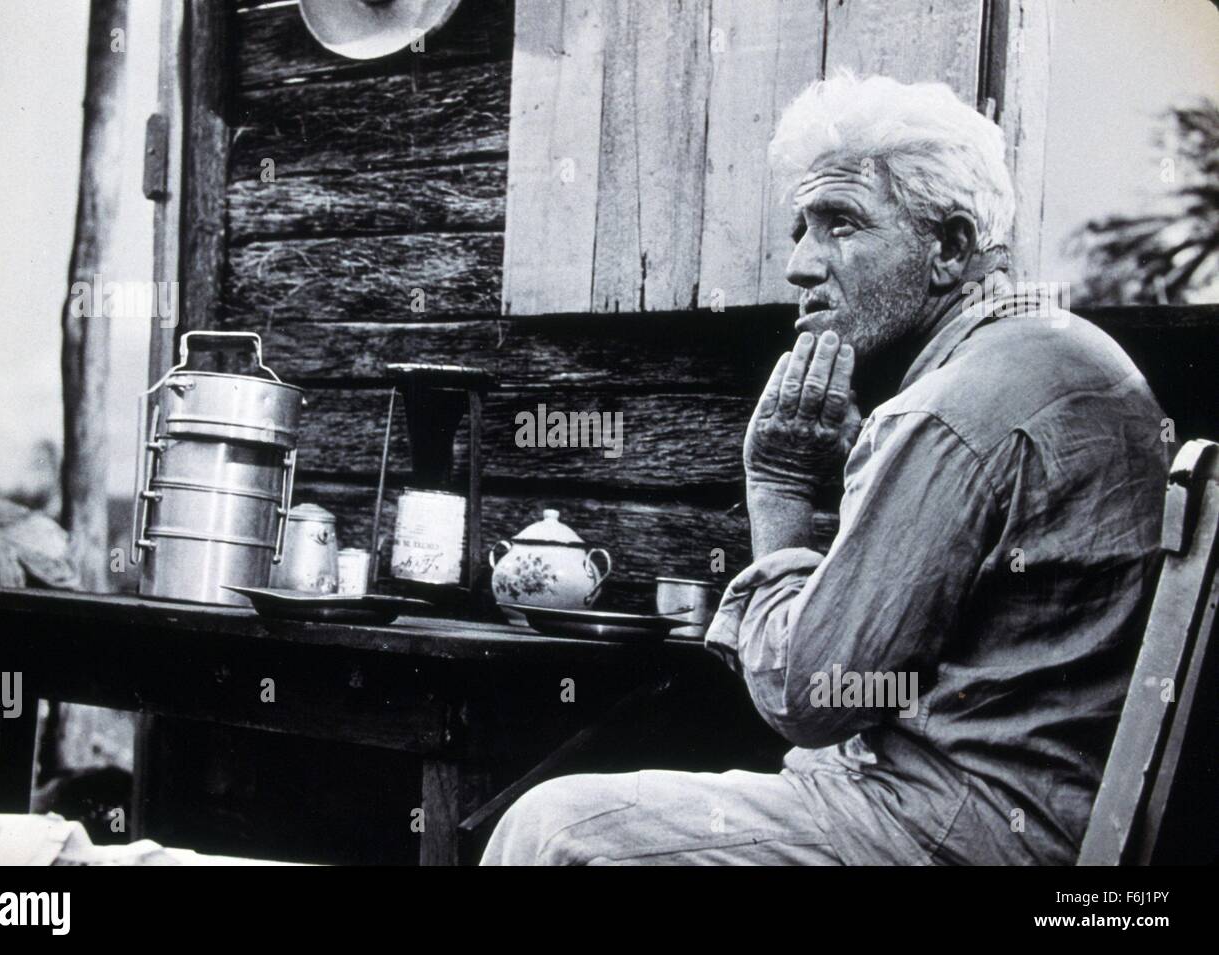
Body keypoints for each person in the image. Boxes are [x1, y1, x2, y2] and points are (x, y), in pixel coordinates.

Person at [480, 73, 1170, 865]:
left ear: (949, 248)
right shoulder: (1059, 352)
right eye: (800, 229)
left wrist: (778, 489)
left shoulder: (943, 410)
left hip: (949, 828)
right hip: (1037, 816)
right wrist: (867, 472)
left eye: (840, 223)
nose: (800, 266)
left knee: (553, 828)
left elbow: (807, 698)